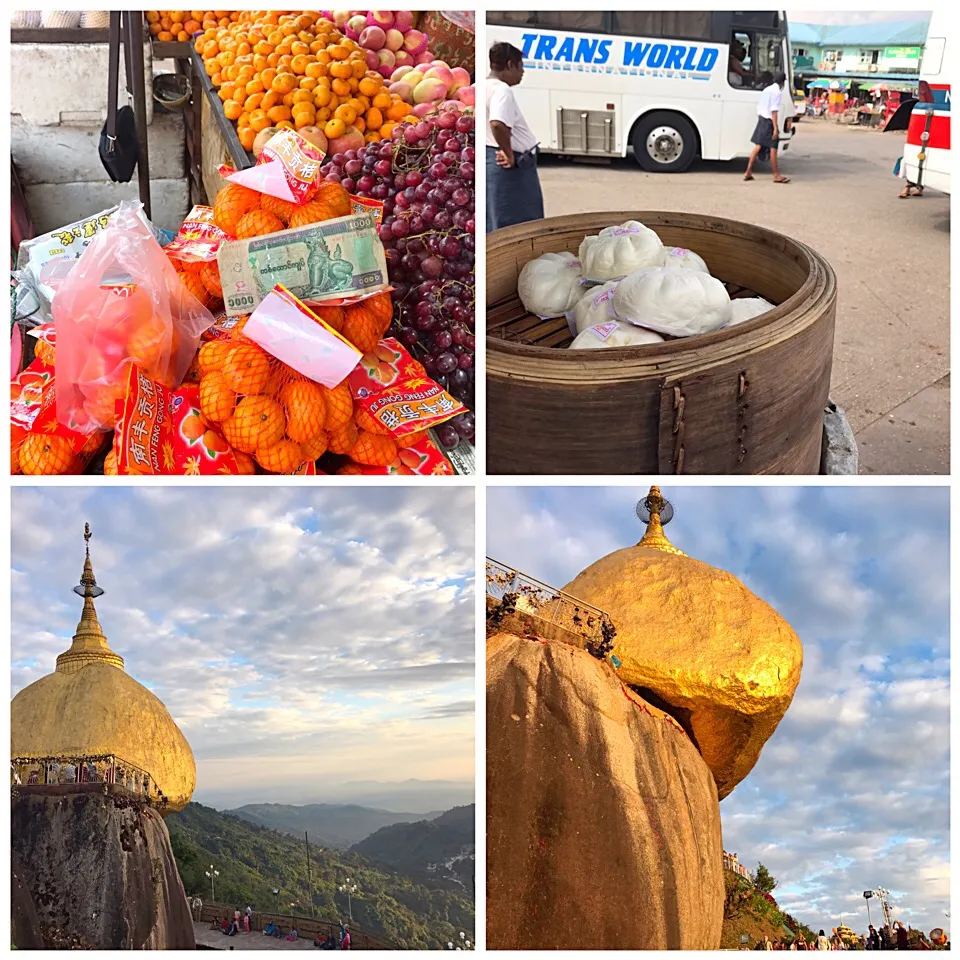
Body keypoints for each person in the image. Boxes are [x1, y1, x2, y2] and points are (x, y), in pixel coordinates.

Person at [486, 41, 543, 232]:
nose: (523, 72)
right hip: (511, 166)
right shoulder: (502, 90)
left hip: (492, 161)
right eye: (521, 66)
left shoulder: (481, 86)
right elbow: (497, 122)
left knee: (495, 220)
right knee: (519, 224)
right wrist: (508, 152)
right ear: (510, 64)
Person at [744, 71, 791, 184]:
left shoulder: (767, 89)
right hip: (769, 122)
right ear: (782, 82)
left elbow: (760, 106)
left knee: (758, 146)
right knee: (773, 148)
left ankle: (748, 172)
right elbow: (773, 111)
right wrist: (775, 128)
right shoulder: (777, 92)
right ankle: (776, 175)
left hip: (762, 119)